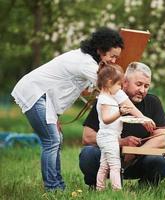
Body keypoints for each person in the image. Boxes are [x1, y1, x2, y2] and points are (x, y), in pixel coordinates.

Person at [11, 27, 154, 191]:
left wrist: (54, 116)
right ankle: (53, 188)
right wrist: (143, 118)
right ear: (100, 50)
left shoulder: (90, 61)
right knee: (52, 141)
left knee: (56, 139)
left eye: (117, 57)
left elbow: (61, 88)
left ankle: (58, 186)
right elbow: (117, 94)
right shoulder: (86, 63)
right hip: (34, 92)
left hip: (44, 97)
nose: (114, 61)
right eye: (112, 56)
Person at [79, 62, 165, 188]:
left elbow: (161, 138)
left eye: (146, 86)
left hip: (138, 161)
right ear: (124, 82)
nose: (142, 90)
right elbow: (87, 137)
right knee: (87, 154)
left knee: (161, 160)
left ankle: (146, 188)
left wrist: (136, 152)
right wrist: (121, 142)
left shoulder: (152, 102)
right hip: (107, 156)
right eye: (138, 84)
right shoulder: (105, 100)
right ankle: (96, 186)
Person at [95, 64, 139, 190]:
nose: (120, 88)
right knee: (115, 165)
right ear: (109, 82)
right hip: (108, 137)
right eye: (119, 84)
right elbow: (106, 119)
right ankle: (117, 190)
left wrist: (121, 113)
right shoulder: (104, 99)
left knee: (104, 165)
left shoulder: (109, 98)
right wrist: (120, 112)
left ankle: (100, 188)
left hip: (111, 136)